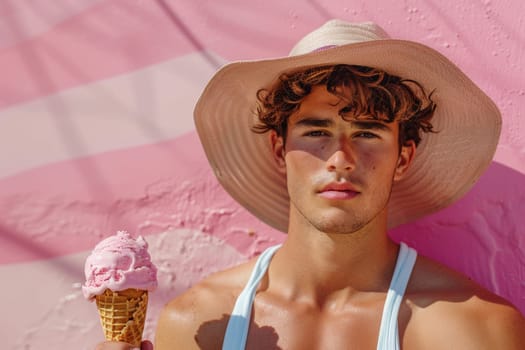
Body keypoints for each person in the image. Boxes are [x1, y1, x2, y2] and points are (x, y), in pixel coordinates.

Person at [97, 20, 525, 349]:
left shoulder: (471, 329)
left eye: (368, 133)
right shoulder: (198, 323)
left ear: (404, 157)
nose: (341, 159)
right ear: (279, 149)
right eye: (317, 132)